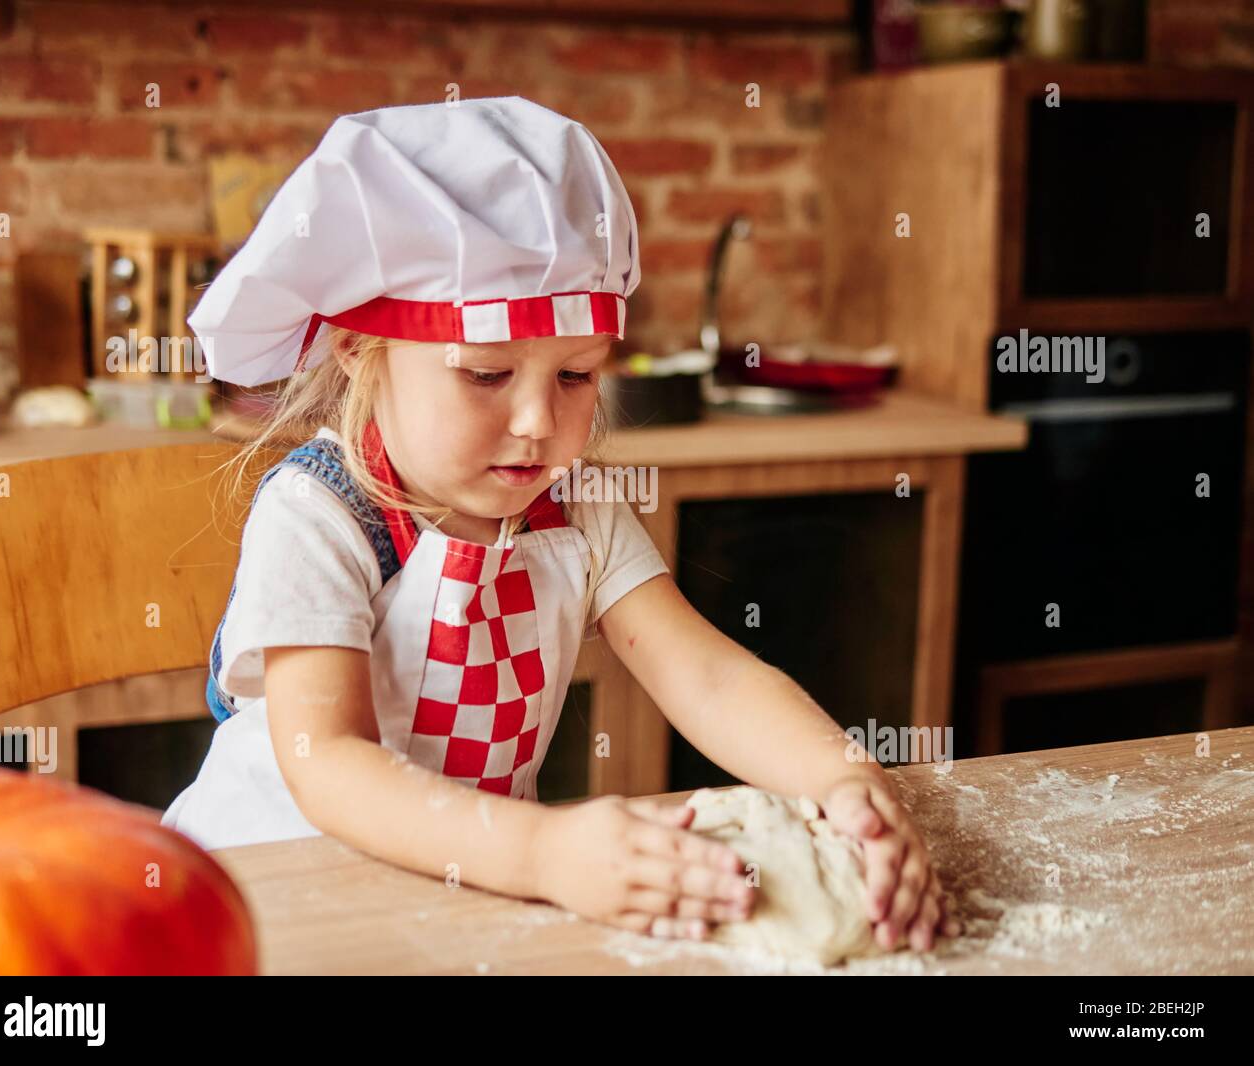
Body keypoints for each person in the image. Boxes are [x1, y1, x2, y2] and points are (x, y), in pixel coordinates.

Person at [162, 96, 958, 952]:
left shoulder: (574, 509)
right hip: (275, 903)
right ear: (360, 348)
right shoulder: (319, 519)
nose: (539, 422)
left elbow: (707, 678)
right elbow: (331, 765)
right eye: (486, 374)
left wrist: (843, 783)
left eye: (576, 376)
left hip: (463, 900)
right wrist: (545, 852)